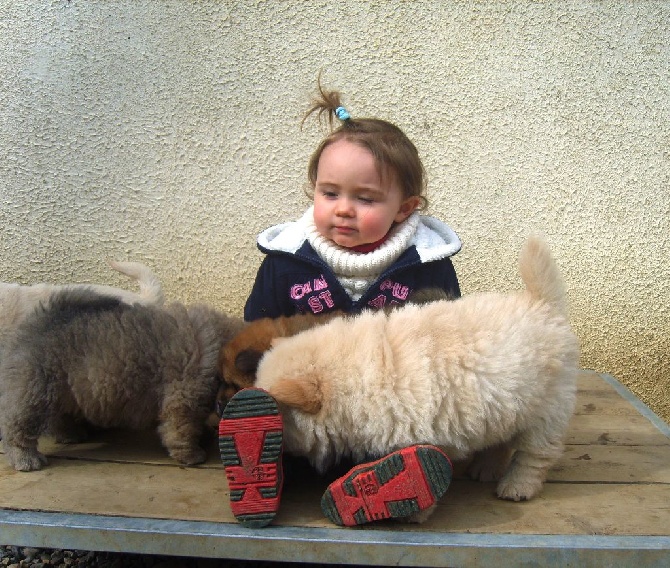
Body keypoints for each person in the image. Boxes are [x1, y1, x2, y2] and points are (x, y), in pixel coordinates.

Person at [219, 80, 459, 529]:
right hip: (310, 410)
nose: (343, 209)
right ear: (313, 191)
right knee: (273, 407)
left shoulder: (425, 267)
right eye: (330, 193)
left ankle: (390, 482)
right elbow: (258, 337)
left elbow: (447, 340)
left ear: (405, 208)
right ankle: (261, 469)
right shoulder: (287, 263)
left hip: (384, 409)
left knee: (420, 421)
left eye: (365, 198)